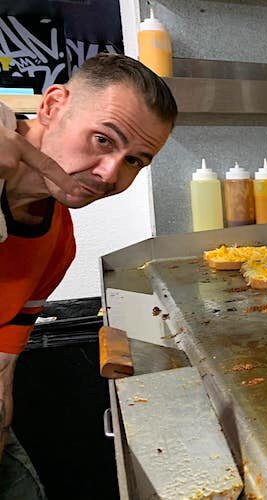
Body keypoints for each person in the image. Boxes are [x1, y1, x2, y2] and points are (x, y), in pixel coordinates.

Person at [0, 53, 177, 498]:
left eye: (135, 161)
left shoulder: (58, 243)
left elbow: (2, 365)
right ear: (53, 105)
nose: (110, 175)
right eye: (102, 139)